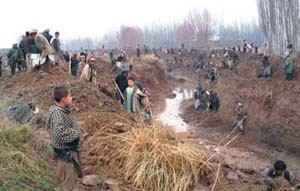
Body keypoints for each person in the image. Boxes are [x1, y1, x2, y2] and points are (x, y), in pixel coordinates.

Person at [47, 86, 84, 191]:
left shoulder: (63, 110)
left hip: (68, 150)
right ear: (63, 99)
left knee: (71, 177)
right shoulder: (57, 113)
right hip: (65, 152)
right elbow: (60, 133)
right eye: (70, 96)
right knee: (66, 180)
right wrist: (76, 133)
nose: (72, 98)